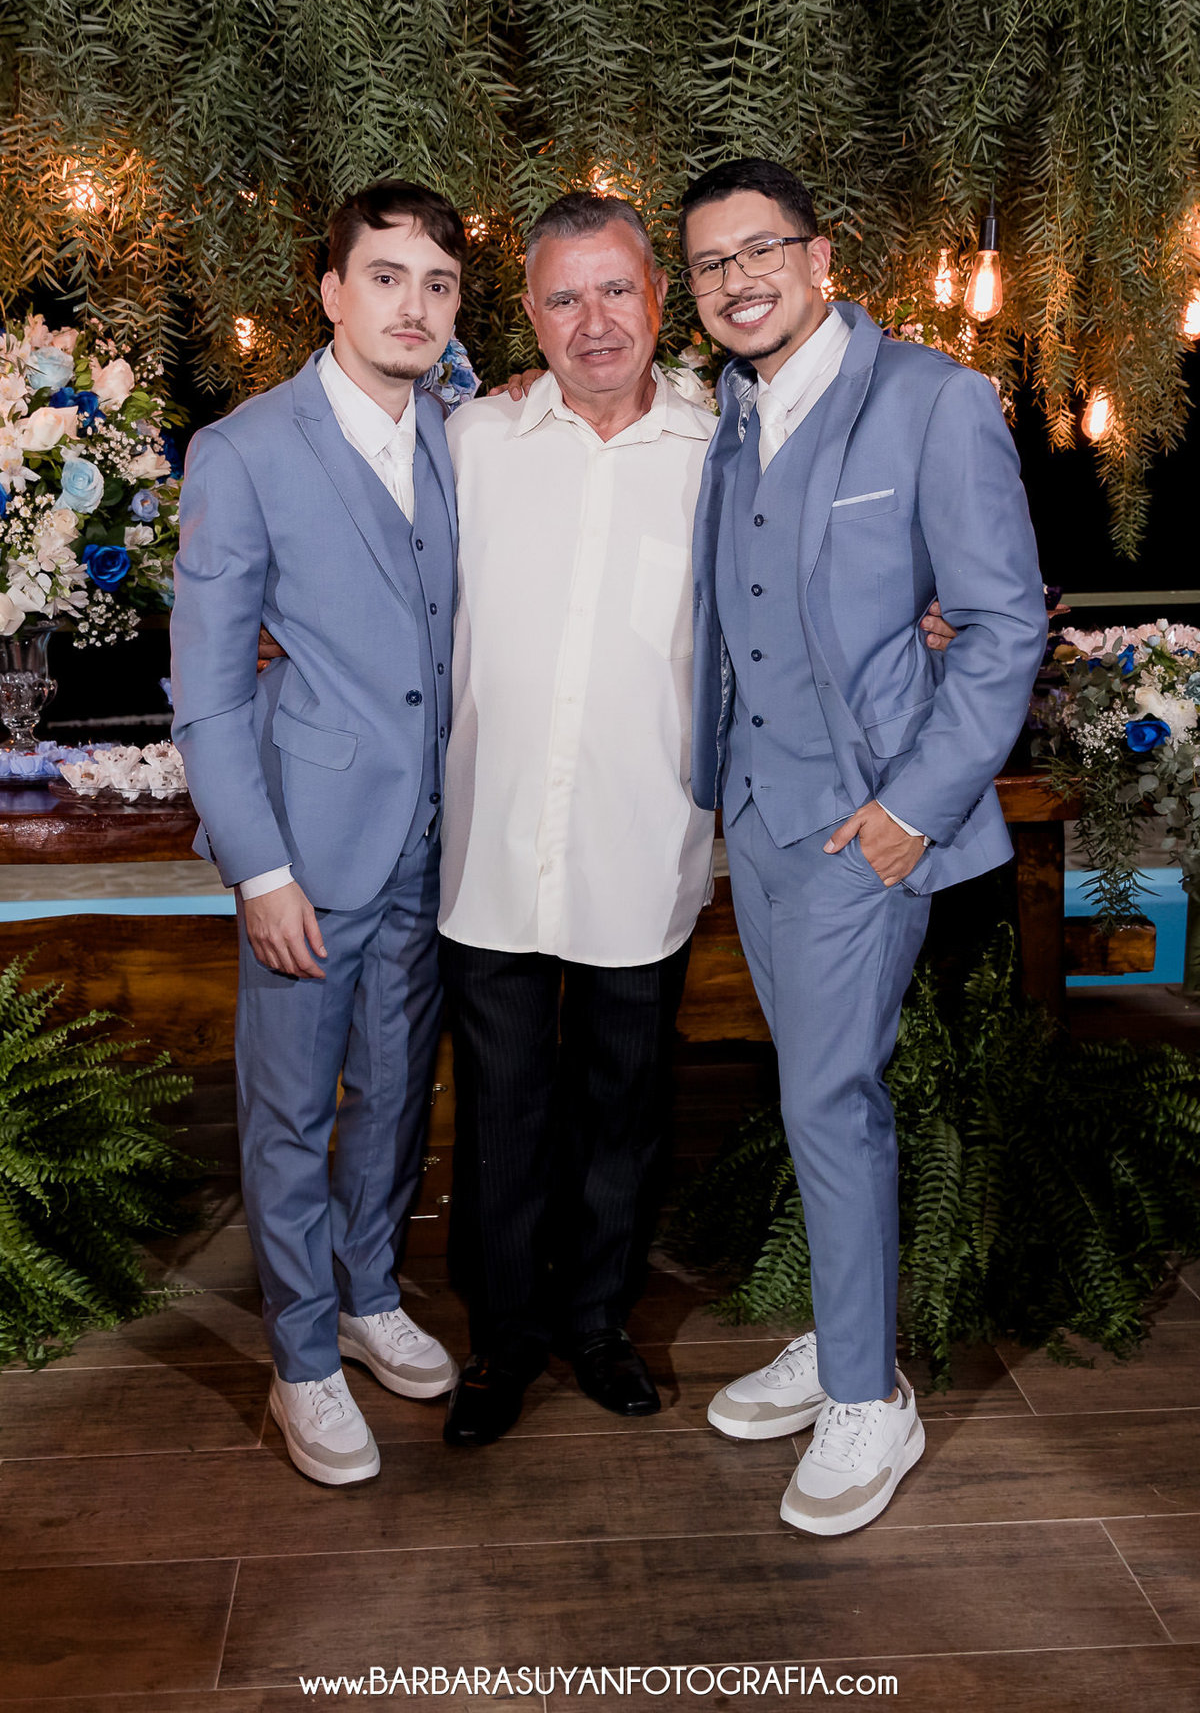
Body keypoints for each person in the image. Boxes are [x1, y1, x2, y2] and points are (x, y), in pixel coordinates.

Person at [434, 191, 957, 1448]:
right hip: (493, 832)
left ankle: (599, 1323)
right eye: (563, 298)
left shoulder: (724, 444)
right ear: (530, 318)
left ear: (660, 301)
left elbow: (833, 575)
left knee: (626, 1099)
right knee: (498, 1107)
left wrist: (928, 613)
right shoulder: (470, 439)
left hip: (647, 829)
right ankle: (502, 1340)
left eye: (617, 290)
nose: (593, 322)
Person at [679, 158, 1046, 1535]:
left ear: (822, 257)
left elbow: (1003, 623)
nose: (736, 281)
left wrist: (913, 809)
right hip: (759, 813)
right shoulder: (730, 414)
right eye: (709, 264)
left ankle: (866, 1401)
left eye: (760, 249)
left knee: (831, 1096)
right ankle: (847, 1337)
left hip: (862, 823)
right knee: (808, 1088)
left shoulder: (933, 400)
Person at [171, 181, 461, 1487]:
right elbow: (206, 691)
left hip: (436, 838)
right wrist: (260, 870)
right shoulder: (244, 451)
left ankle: (367, 1292)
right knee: (291, 1110)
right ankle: (299, 1358)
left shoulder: (462, 431)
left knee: (394, 1090)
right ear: (333, 293)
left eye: (437, 285)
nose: (413, 306)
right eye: (386, 278)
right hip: (308, 843)